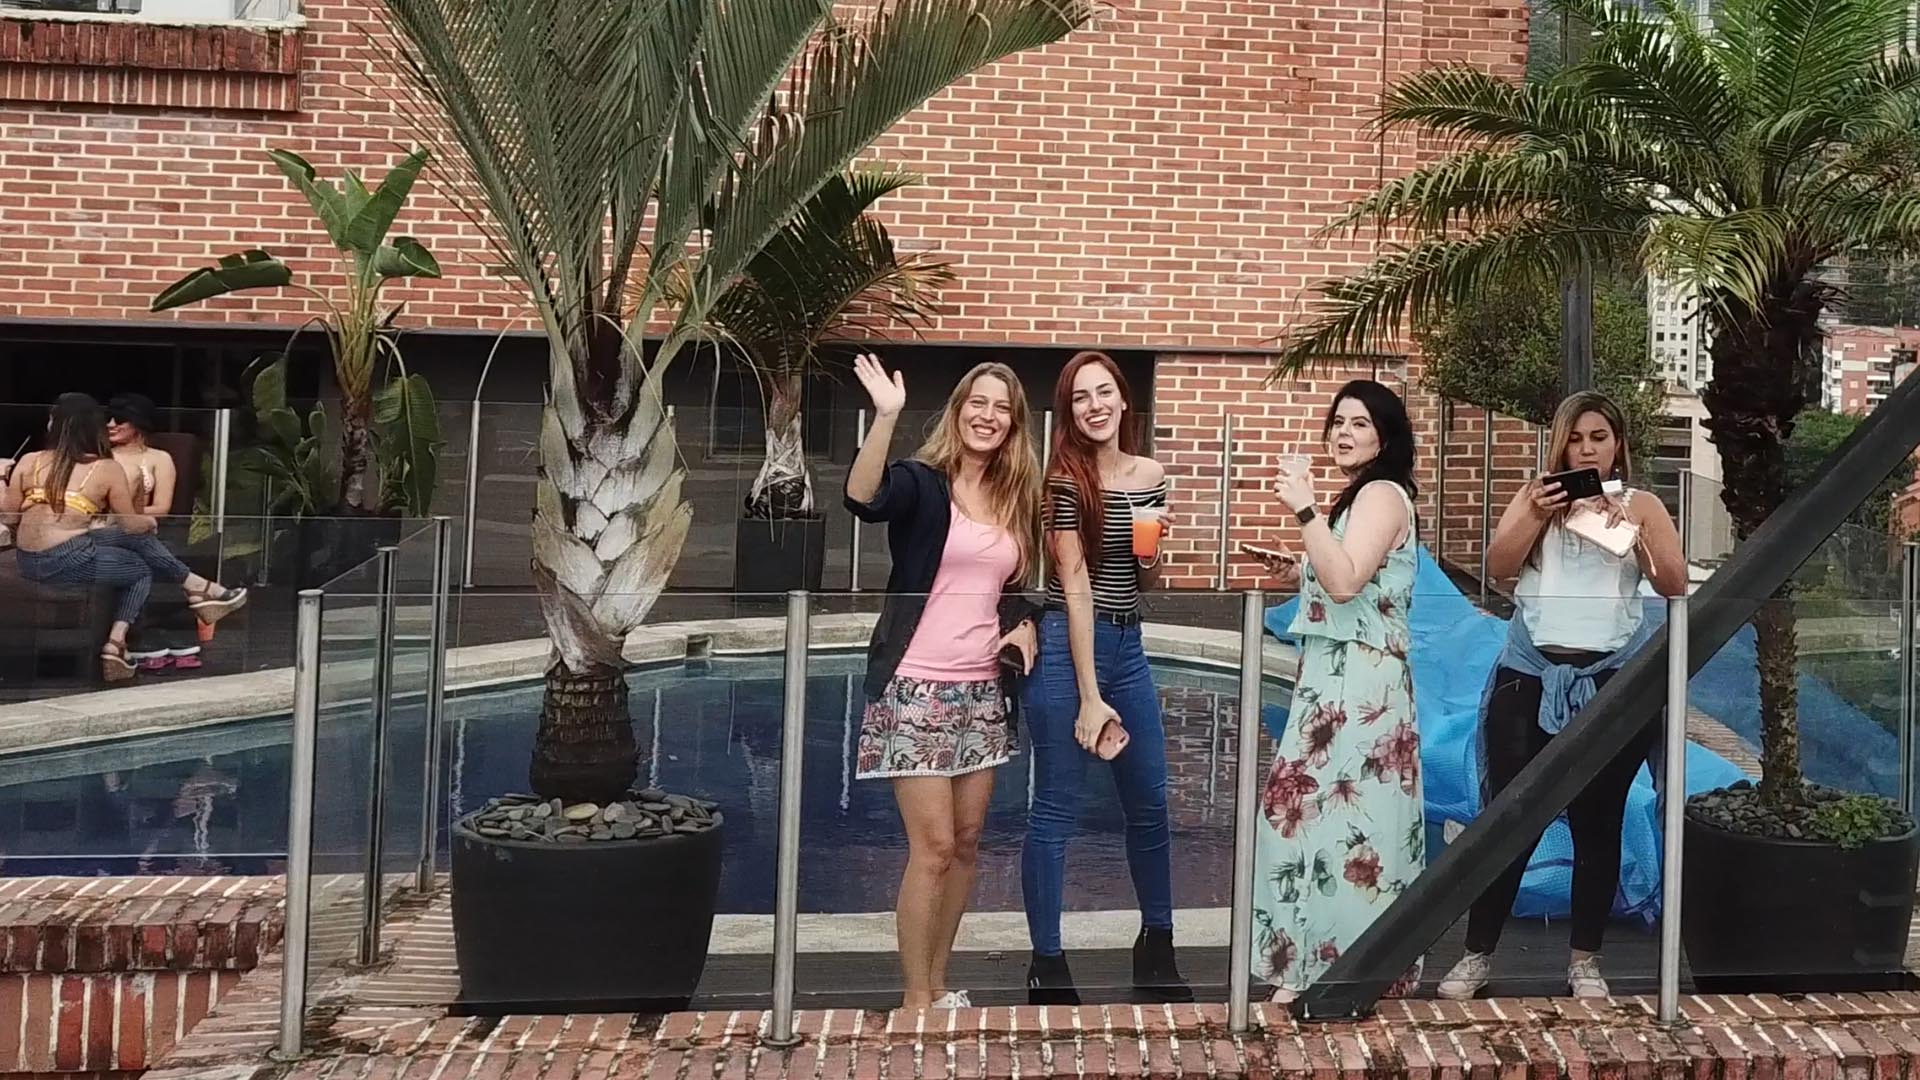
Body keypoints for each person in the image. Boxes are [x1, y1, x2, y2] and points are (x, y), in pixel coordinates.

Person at [1435, 391, 1686, 1001]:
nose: (1587, 450)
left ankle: (1584, 961)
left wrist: (1632, 532)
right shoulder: (1535, 498)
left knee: (1599, 824)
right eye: (1575, 439)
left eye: (1599, 438)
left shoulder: (1643, 505)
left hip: (1610, 681)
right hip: (1530, 675)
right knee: (1510, 819)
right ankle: (1477, 954)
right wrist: (1534, 512)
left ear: (1618, 444)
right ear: (1560, 445)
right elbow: (1497, 567)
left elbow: (1674, 584)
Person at [845, 353, 1044, 1013]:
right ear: (958, 411)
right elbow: (864, 498)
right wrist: (886, 417)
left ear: (1014, 423)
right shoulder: (923, 483)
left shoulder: (1015, 497)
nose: (988, 416)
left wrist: (1022, 624)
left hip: (983, 691)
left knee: (964, 845)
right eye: (977, 403)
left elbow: (1014, 588)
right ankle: (915, 1003)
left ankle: (937, 986)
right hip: (917, 686)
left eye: (1001, 408)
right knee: (931, 847)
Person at [1248, 379, 1425, 1003]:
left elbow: (1347, 582)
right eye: (1339, 421)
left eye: (1360, 423)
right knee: (1316, 819)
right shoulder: (1363, 495)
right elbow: (1348, 575)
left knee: (1341, 823)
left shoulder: (1380, 493)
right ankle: (1315, 968)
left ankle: (1332, 973)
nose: (1343, 433)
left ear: (1385, 438)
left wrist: (1304, 510)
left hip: (1359, 688)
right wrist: (1298, 568)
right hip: (1337, 679)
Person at [1022, 350, 1188, 1005]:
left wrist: (1154, 548)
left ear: (1123, 399)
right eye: (1080, 397)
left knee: (1149, 801)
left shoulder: (1151, 475)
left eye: (1104, 392)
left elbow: (1143, 579)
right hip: (1068, 646)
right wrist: (1090, 696)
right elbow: (1075, 585)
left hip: (1129, 642)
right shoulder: (1064, 480)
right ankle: (1047, 961)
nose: (1094, 406)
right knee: (1056, 808)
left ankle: (1158, 946)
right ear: (1070, 411)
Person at [0, 394, 246, 683]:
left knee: (129, 541)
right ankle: (121, 639)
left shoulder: (30, 461)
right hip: (67, 558)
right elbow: (131, 524)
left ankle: (197, 590)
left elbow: (9, 517)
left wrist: (4, 479)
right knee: (140, 567)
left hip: (29, 559)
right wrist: (149, 523)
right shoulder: (105, 467)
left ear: (54, 425)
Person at [107, 393, 202, 672]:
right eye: (108, 418)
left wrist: (126, 514)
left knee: (156, 552)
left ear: (138, 422)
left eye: (119, 419)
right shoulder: (100, 459)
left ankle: (175, 637)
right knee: (140, 557)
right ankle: (144, 639)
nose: (111, 424)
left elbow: (162, 507)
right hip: (106, 529)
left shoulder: (159, 458)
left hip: (147, 528)